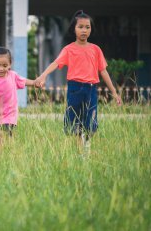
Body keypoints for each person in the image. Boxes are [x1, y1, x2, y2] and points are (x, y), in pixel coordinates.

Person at [34, 10, 122, 154]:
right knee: (74, 122)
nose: (84, 30)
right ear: (74, 29)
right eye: (80, 27)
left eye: (87, 27)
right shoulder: (69, 49)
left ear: (91, 30)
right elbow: (56, 63)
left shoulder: (96, 50)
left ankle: (86, 151)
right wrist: (42, 76)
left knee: (90, 123)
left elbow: (103, 71)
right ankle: (77, 153)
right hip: (74, 89)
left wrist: (114, 92)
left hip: (91, 89)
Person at [0, 46, 35, 149]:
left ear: (10, 64)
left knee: (7, 136)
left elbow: (24, 81)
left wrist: (35, 83)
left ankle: (10, 154)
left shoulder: (13, 76)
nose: (1, 68)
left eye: (5, 65)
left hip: (10, 114)